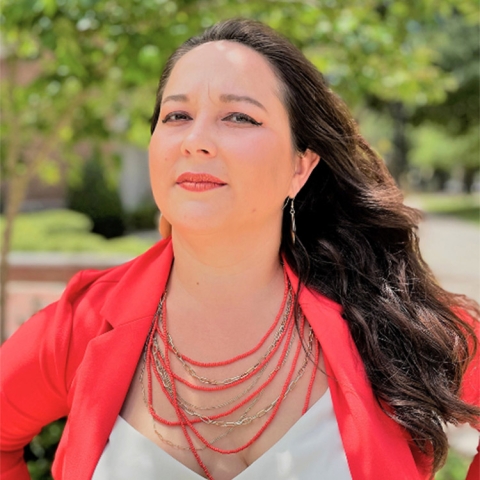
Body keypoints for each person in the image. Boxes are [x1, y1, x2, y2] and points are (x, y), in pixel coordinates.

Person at [1, 18, 479, 480]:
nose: (195, 140)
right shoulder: (81, 325)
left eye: (239, 116)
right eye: (177, 115)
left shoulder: (389, 321)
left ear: (300, 167)